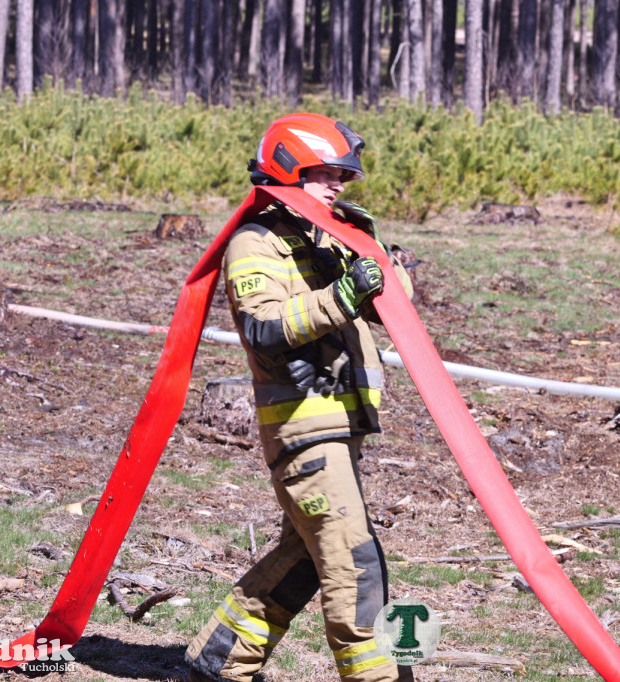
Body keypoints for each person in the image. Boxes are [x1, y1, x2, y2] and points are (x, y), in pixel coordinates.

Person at [185, 113, 415, 682]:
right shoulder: (255, 241)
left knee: (306, 559)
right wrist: (343, 293)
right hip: (303, 426)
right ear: (289, 170)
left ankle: (218, 661)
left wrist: (380, 262)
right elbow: (263, 327)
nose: (339, 185)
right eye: (326, 174)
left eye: (343, 175)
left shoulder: (330, 237)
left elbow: (391, 305)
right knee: (356, 562)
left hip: (339, 422)